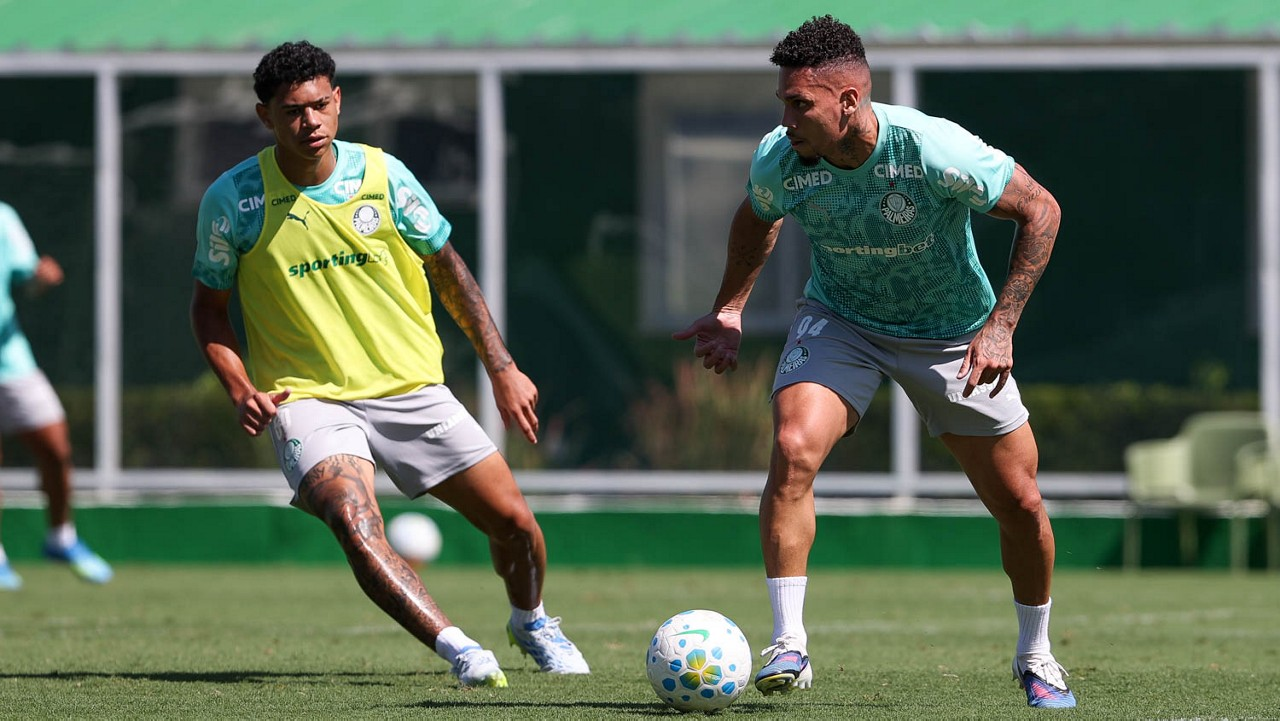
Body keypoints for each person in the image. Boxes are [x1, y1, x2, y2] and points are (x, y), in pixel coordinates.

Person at [674, 16, 1074, 710]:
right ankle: (789, 645)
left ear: (849, 103)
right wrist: (732, 305)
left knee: (1020, 503)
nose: (786, 118)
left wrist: (1001, 324)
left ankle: (1036, 651)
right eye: (783, 102)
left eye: (800, 104)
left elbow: (1042, 210)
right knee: (794, 449)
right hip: (841, 321)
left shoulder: (934, 149)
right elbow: (756, 215)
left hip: (954, 334)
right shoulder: (782, 157)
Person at [189, 40, 588, 688]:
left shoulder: (386, 176)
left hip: (411, 389)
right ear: (265, 116)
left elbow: (450, 270)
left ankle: (532, 619)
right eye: (293, 111)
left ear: (339, 102)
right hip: (308, 399)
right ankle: (459, 648)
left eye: (321, 105)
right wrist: (239, 386)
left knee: (515, 526)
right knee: (352, 516)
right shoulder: (233, 201)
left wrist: (502, 366)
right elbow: (208, 310)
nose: (310, 122)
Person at [0, 201, 114, 590]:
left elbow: (27, 281)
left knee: (55, 448)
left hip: (11, 362)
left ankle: (61, 537)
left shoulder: (3, 217)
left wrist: (41, 280)